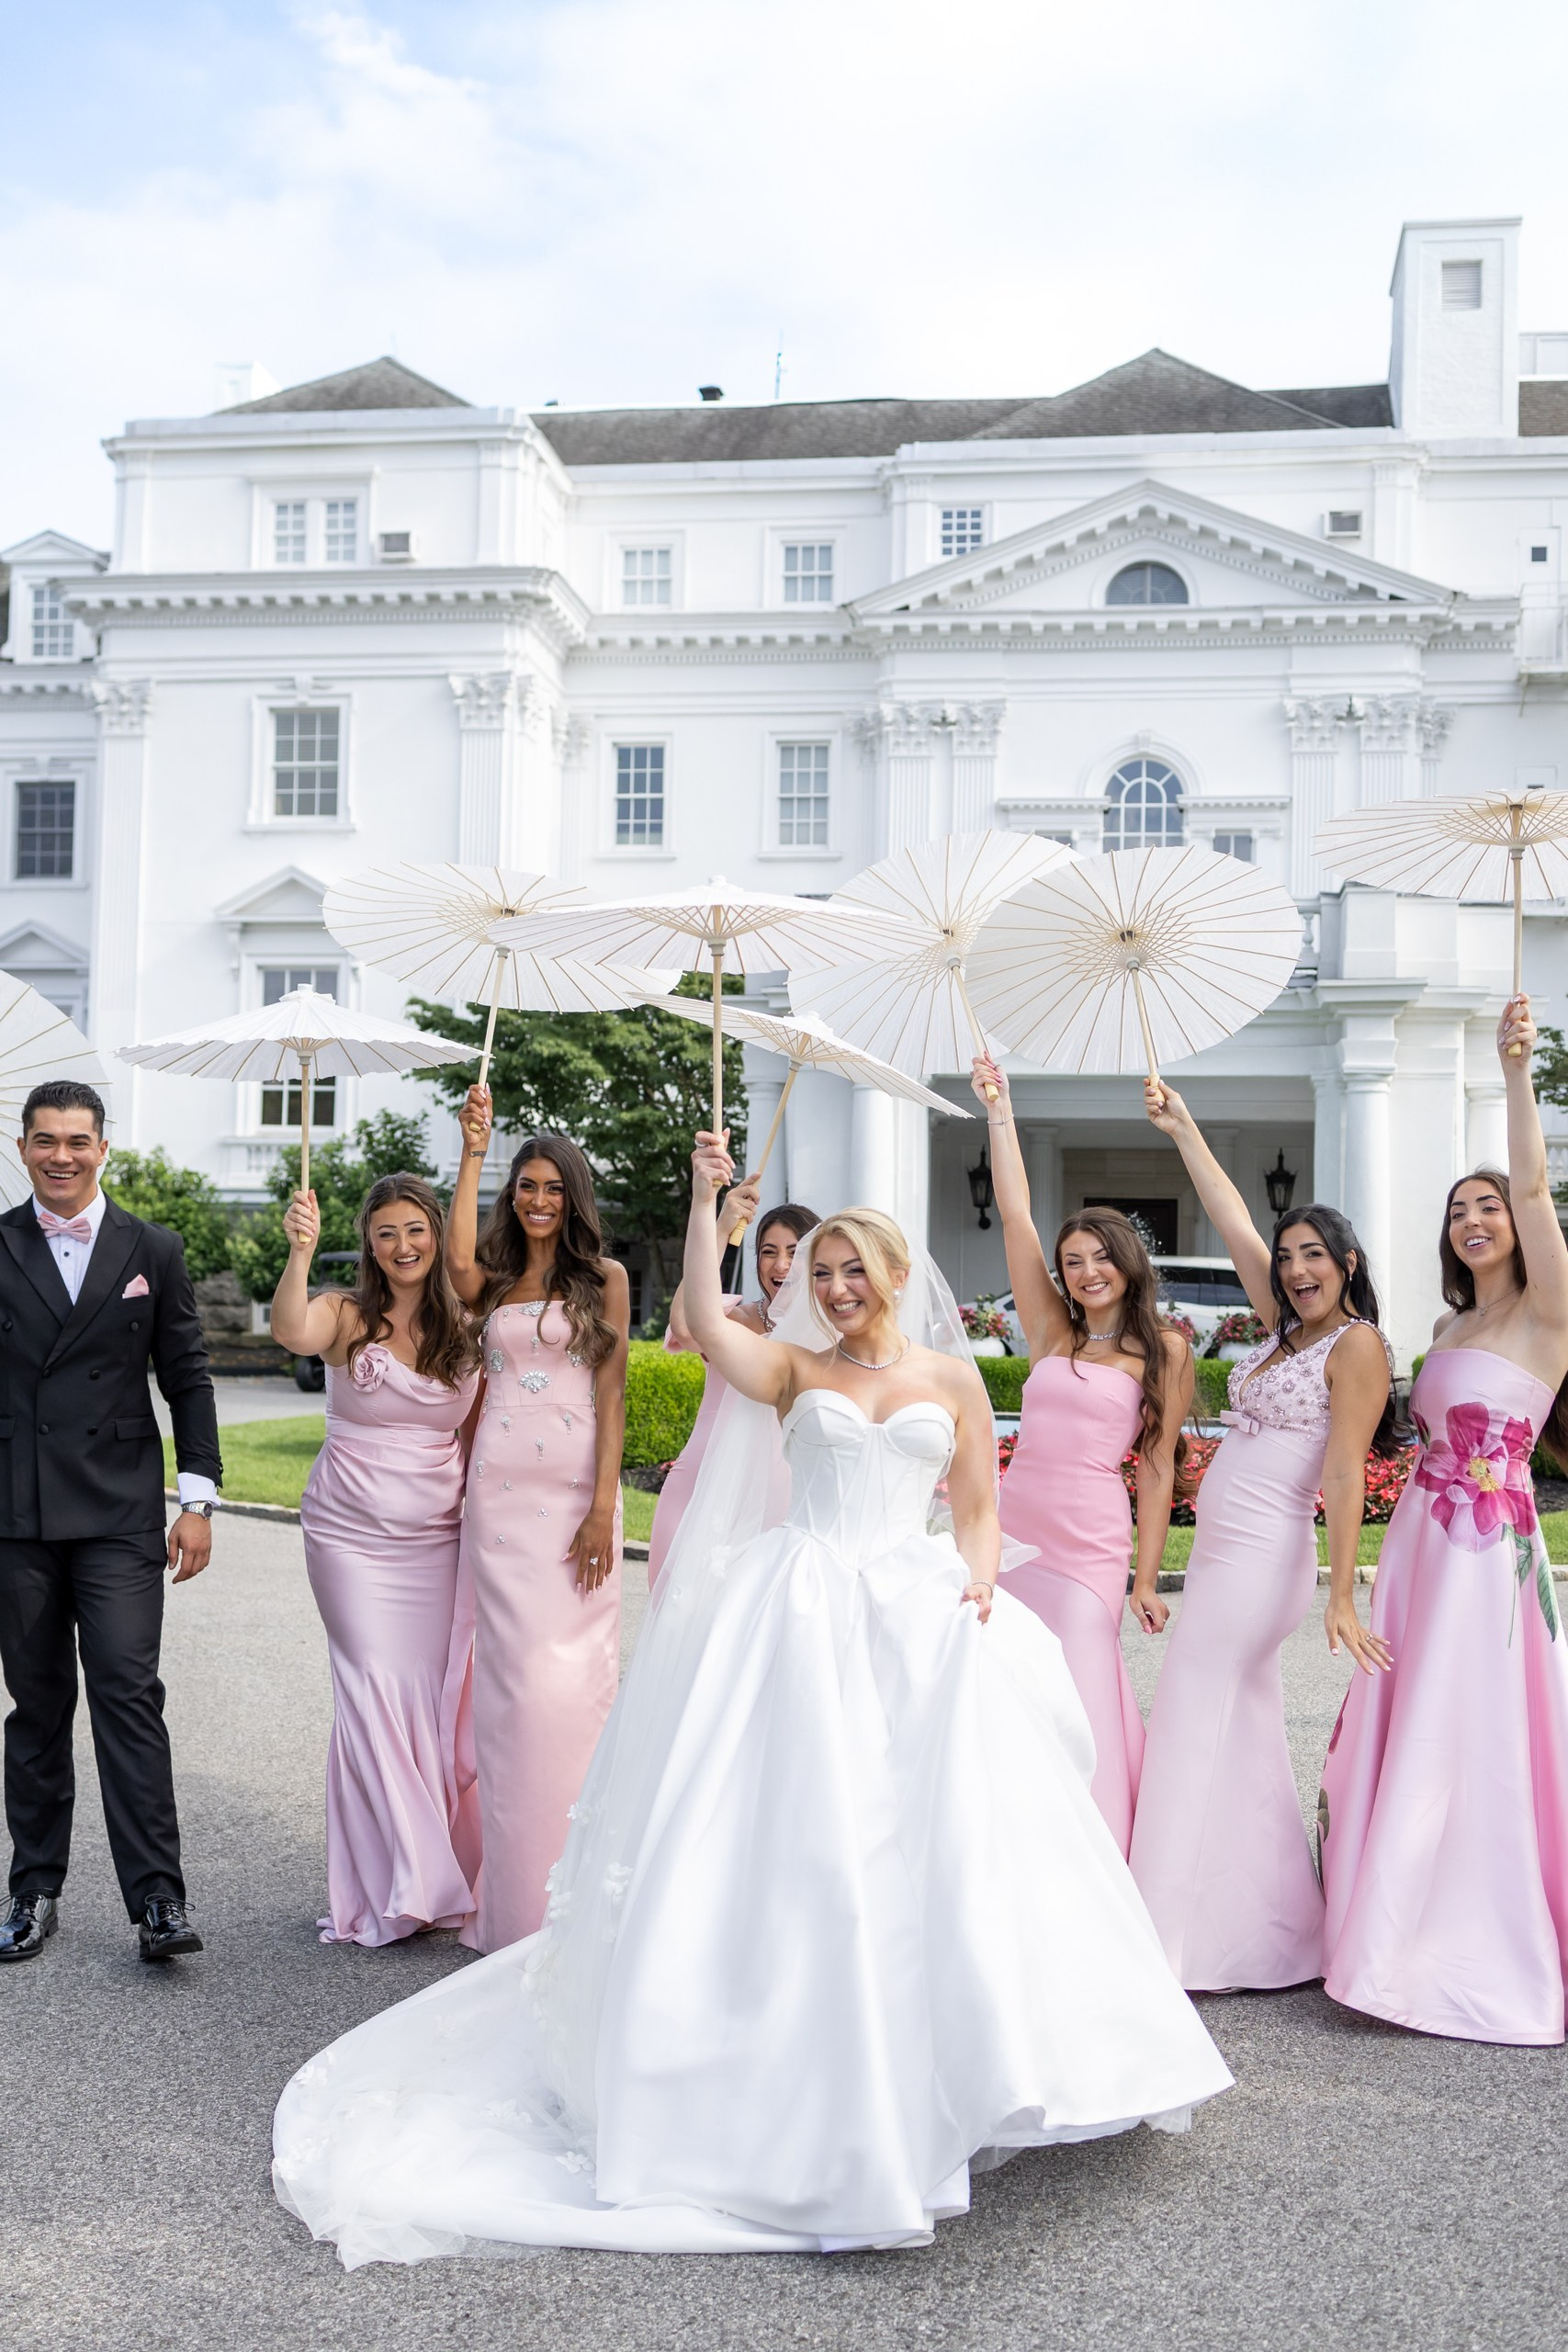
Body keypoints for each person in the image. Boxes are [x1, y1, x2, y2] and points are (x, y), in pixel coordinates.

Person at [271, 1136, 1232, 2265]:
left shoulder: (951, 1376)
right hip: (807, 1604)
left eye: (852, 1269)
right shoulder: (793, 1369)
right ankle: (782, 2065)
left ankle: (983, 2056)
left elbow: (977, 1504)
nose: (836, 1287)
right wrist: (702, 1204)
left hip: (918, 1609)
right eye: (821, 1272)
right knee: (797, 1838)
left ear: (894, 1272)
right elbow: (704, 1316)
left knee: (955, 1835)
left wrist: (977, 1577)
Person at [1319, 997, 1568, 2043]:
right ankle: (1382, 1924)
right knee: (1409, 1708)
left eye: (1489, 1205)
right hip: (1422, 1544)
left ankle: (1452, 1940)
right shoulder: (1446, 1322)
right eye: (1459, 1207)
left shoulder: (1549, 1313)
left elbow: (1540, 1185)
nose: (1474, 1218)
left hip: (1486, 1557)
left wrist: (1514, 1068)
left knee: (1470, 1724)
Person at [1128, 1082, 1393, 1991]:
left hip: (1264, 1560)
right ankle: (1262, 1933)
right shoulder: (1284, 1331)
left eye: (1313, 1255)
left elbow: (1344, 1472)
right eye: (1287, 1259)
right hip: (1221, 1556)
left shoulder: (1356, 1345)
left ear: (1347, 1262)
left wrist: (1341, 1591)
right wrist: (1183, 1127)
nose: (1295, 1269)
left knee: (1187, 1712)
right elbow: (1230, 1214)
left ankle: (1157, 1936)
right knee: (1238, 1734)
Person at [0, 1080, 220, 1966]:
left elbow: (188, 1376)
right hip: (16, 1510)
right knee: (38, 1706)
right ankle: (31, 1890)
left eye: (77, 1141)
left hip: (121, 1511)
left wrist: (196, 1499)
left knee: (128, 1696)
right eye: (45, 1141)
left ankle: (158, 1900)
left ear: (102, 1148)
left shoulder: (152, 1248)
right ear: (23, 1147)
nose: (62, 1156)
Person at [969, 1054, 1191, 1853]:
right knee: (1008, 1679)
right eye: (1073, 1261)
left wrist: (1144, 1579)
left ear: (1125, 1262)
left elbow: (1158, 1468)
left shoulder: (1164, 1348)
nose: (1086, 1270)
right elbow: (1015, 1216)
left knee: (1083, 1680)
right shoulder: (1050, 1332)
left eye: (1099, 1256)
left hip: (1090, 1542)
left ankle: (1098, 1849)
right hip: (1016, 1530)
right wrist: (998, 1111)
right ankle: (1016, 1842)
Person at [272, 1174, 482, 1948]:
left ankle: (429, 1866)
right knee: (370, 1691)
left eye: (415, 1229)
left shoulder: (467, 1325)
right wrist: (298, 1253)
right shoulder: (344, 1314)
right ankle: (402, 1881)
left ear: (436, 1235)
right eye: (386, 1232)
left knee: (425, 1699)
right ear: (368, 1241)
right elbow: (290, 1331)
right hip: (350, 1537)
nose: (403, 1245)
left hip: (436, 1538)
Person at [446, 1085, 630, 1955]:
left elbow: (612, 1392)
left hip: (574, 1502)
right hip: (499, 1503)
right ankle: (512, 1899)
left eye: (554, 1187)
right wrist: (472, 1151)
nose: (539, 1200)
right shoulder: (491, 1281)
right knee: (514, 1691)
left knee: (572, 1689)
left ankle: (575, 1893)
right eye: (526, 1186)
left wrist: (603, 1506)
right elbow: (453, 1261)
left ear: (574, 1196)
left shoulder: (605, 1280)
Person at [648, 1184, 818, 1596]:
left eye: (795, 1252)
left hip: (784, 1497)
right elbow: (685, 1324)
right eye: (769, 1251)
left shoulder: (830, 1338)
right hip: (700, 1482)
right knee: (674, 1605)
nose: (780, 1264)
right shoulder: (730, 1320)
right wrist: (722, 1226)